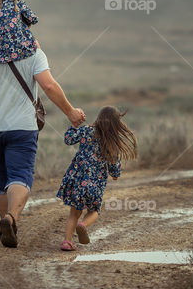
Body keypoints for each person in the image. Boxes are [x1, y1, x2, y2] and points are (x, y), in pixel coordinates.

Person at [0, 40, 85, 248]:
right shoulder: (34, 53)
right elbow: (48, 85)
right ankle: (10, 218)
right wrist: (70, 112)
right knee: (20, 174)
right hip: (21, 127)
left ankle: (7, 226)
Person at [55, 107, 137, 251]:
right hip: (95, 184)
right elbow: (115, 174)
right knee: (94, 211)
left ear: (99, 118)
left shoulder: (86, 131)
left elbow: (68, 139)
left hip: (77, 180)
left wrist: (74, 125)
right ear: (116, 124)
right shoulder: (112, 144)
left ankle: (67, 242)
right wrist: (115, 172)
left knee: (74, 212)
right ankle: (83, 225)